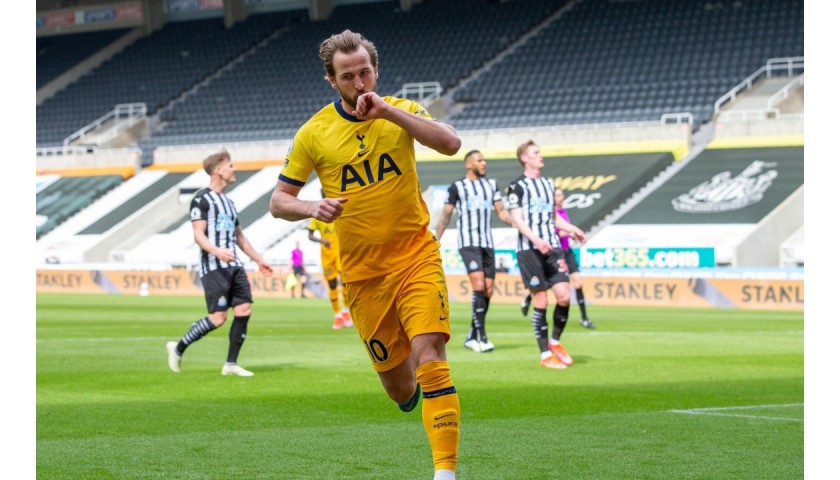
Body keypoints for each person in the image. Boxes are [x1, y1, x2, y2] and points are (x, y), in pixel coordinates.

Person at [268, 30, 462, 480]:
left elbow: (451, 143)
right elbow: (279, 202)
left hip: (416, 256)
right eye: (347, 76)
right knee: (398, 386)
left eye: (365, 73)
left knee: (430, 351)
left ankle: (445, 472)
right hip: (363, 275)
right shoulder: (313, 133)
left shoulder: (402, 111)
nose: (358, 83)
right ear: (330, 81)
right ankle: (410, 395)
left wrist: (388, 111)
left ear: (376, 70)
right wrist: (312, 206)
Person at [166, 150, 274, 377]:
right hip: (214, 266)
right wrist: (217, 251)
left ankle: (231, 364)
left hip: (234, 265)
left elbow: (239, 236)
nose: (235, 169)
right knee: (218, 318)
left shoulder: (229, 202)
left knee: (244, 309)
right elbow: (198, 235)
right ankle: (178, 348)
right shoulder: (201, 199)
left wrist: (259, 260)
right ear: (218, 170)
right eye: (231, 165)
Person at [506, 140, 587, 370]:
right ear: (524, 158)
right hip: (529, 249)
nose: (541, 156)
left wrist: (572, 229)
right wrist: (536, 239)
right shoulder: (517, 186)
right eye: (536, 153)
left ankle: (555, 343)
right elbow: (517, 219)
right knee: (541, 299)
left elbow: (553, 217)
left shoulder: (548, 185)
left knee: (564, 296)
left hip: (551, 247)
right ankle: (544, 355)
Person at [434, 149, 509, 354]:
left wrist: (519, 224)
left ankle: (472, 335)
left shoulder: (492, 185)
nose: (484, 163)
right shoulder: (457, 187)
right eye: (479, 160)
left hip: (487, 243)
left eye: (484, 159)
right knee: (478, 284)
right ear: (469, 164)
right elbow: (445, 217)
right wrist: (435, 242)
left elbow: (501, 212)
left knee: (488, 289)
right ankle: (482, 337)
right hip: (468, 242)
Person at [521, 188, 595, 329]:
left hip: (567, 251)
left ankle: (584, 318)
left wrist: (570, 232)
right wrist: (564, 232)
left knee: (578, 282)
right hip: (555, 252)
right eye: (558, 195)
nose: (562, 197)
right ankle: (529, 296)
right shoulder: (548, 213)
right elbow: (551, 232)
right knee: (551, 284)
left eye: (562, 194)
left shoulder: (563, 212)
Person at [308, 190, 353, 329]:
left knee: (345, 282)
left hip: (340, 253)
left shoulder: (340, 211)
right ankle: (337, 314)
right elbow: (310, 235)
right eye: (324, 195)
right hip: (326, 255)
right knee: (332, 284)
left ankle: (346, 311)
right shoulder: (318, 215)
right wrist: (322, 240)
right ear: (322, 196)